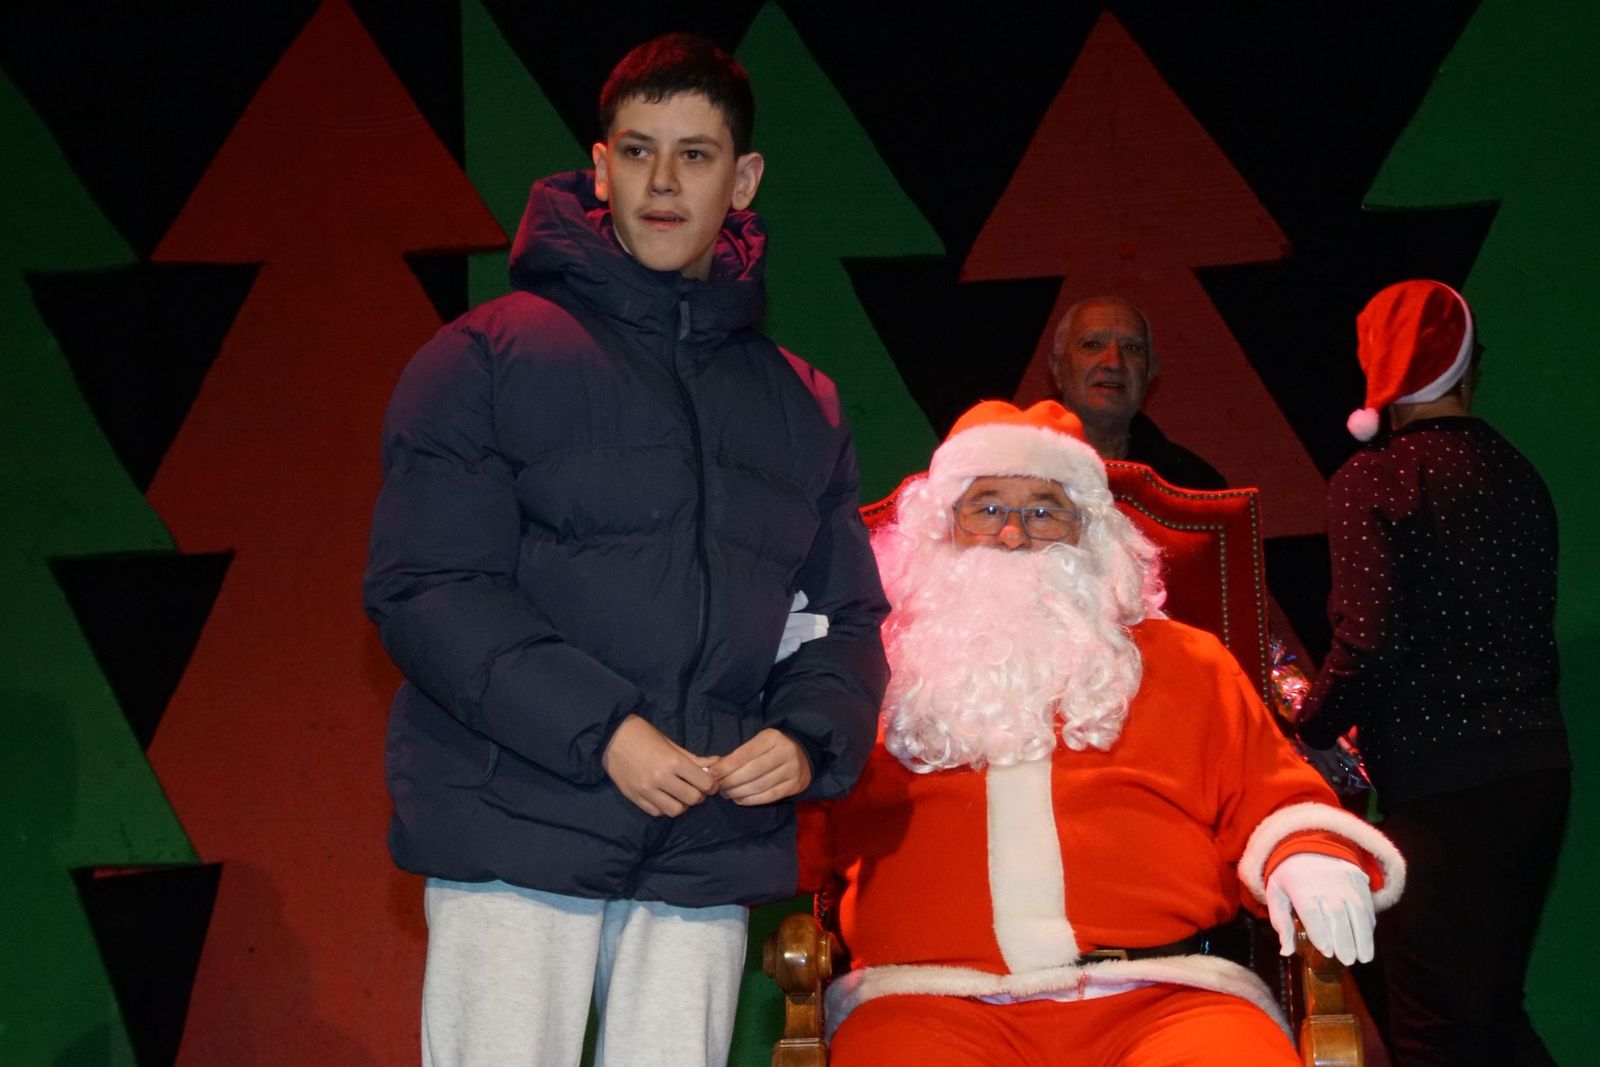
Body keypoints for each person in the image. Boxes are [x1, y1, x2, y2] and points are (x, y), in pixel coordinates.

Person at [362, 34, 889, 1067]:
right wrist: (606, 732)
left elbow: (844, 617)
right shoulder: (484, 356)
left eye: (694, 155)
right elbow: (428, 586)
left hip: (705, 846)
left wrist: (808, 733)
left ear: (742, 181)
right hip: (518, 819)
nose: (661, 180)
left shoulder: (800, 400)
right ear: (597, 167)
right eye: (637, 150)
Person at [798, 399, 1405, 1066]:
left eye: (1043, 509)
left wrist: (1307, 852)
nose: (1013, 534)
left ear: (1090, 533)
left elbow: (1274, 796)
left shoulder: (1186, 662)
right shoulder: (870, 673)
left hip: (1163, 998)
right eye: (988, 506)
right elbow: (799, 828)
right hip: (927, 1007)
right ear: (940, 526)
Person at [1296, 279, 1570, 1066]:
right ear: (1469, 367)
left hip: (1443, 791)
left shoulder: (1373, 479)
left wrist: (1307, 727)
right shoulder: (1519, 474)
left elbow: (1367, 641)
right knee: (1490, 1012)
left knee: (1433, 1030)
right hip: (1537, 774)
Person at [1048, 295, 1227, 489]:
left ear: (1150, 371)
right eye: (1092, 344)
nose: (1114, 363)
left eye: (1131, 348)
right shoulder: (1015, 463)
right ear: (1057, 368)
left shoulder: (1193, 484)